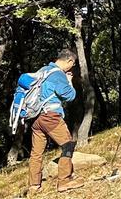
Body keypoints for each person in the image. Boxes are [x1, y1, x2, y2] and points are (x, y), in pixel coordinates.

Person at [25, 48, 84, 195]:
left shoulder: (43, 70)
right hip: (50, 116)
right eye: (73, 63)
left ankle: (34, 186)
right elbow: (69, 96)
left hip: (36, 118)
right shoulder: (58, 74)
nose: (72, 66)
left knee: (36, 153)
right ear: (69, 61)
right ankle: (64, 181)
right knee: (68, 145)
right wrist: (69, 81)